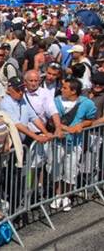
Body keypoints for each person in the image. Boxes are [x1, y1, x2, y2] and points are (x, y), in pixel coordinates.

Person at [48, 78, 96, 211]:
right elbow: (51, 119)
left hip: (75, 143)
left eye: (65, 88)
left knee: (71, 169)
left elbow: (90, 119)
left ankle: (66, 196)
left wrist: (80, 125)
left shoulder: (86, 103)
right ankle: (57, 195)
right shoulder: (56, 101)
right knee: (56, 167)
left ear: (73, 91)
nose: (61, 90)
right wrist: (63, 128)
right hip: (57, 141)